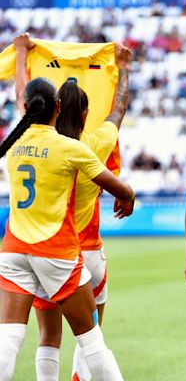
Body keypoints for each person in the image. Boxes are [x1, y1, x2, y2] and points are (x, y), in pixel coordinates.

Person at [13, 33, 132, 381]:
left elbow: (25, 97)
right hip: (85, 252)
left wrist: (22, 54)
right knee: (90, 336)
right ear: (84, 112)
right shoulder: (92, 145)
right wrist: (123, 68)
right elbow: (119, 108)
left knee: (48, 338)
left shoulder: (33, 141)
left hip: (42, 251)